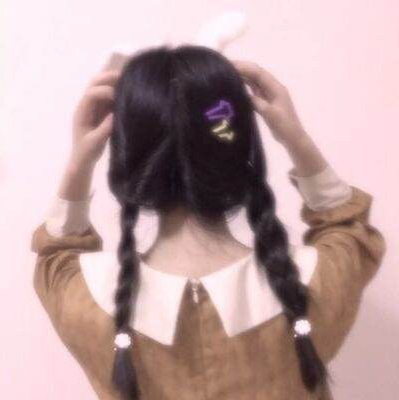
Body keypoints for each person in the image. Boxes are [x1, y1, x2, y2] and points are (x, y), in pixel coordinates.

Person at [31, 45, 386, 400]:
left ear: (127, 161)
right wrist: (295, 138)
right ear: (241, 153)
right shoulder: (312, 286)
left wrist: (79, 163)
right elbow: (348, 227)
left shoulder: (85, 300)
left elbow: (57, 251)